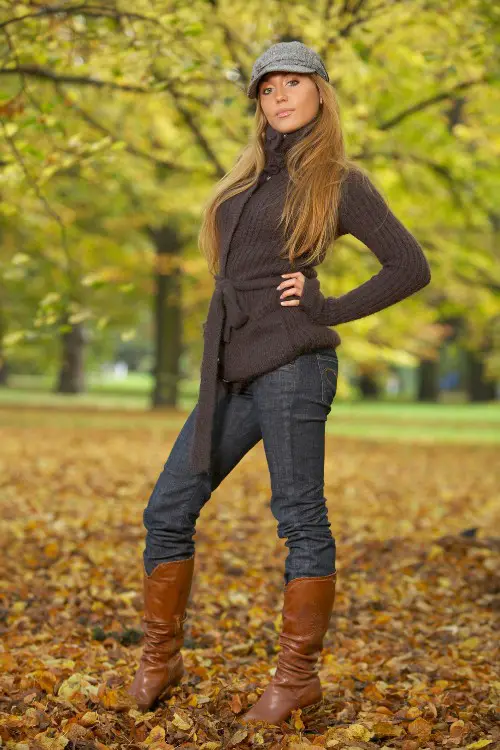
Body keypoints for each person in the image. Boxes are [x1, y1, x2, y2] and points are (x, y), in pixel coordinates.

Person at [127, 41, 431, 723]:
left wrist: (327, 307)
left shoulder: (340, 181)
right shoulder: (247, 177)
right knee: (167, 509)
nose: (281, 96)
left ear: (321, 92)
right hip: (230, 367)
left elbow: (409, 267)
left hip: (295, 365)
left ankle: (296, 678)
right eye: (269, 88)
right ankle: (159, 655)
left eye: (295, 82)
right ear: (258, 103)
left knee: (300, 520)